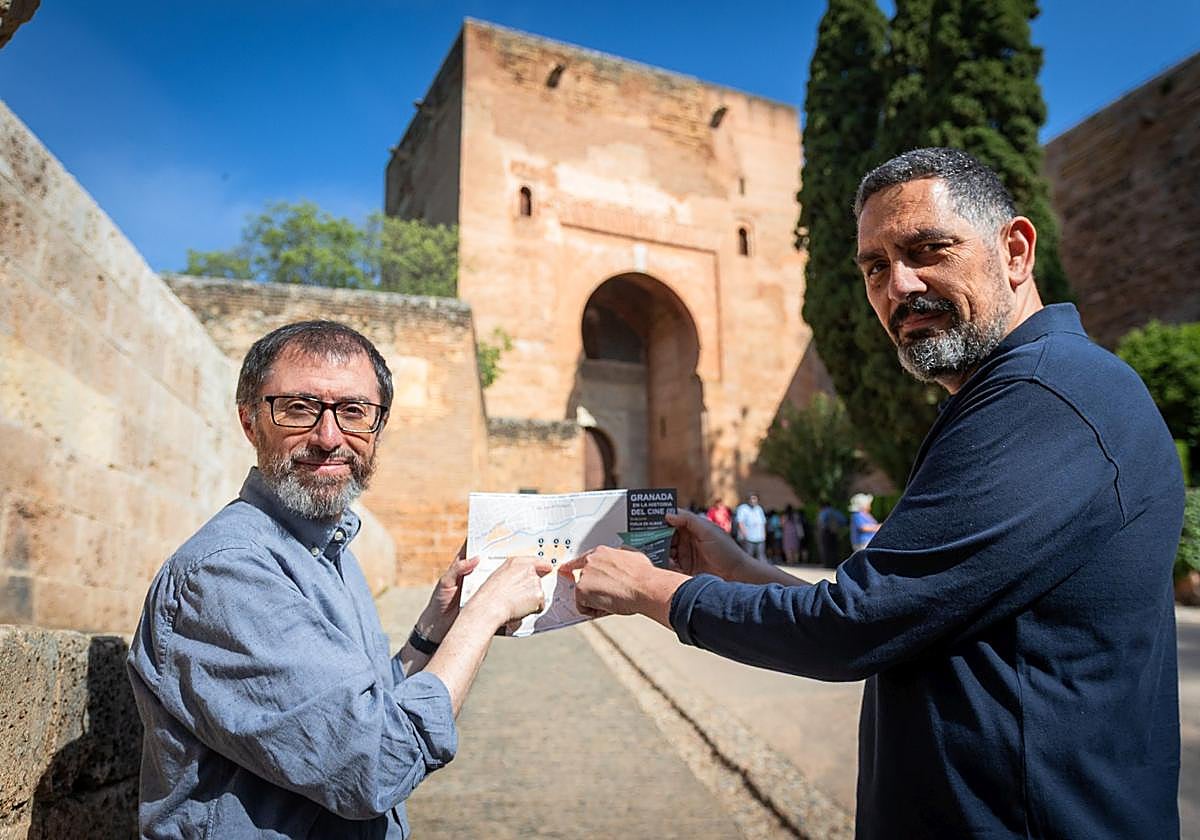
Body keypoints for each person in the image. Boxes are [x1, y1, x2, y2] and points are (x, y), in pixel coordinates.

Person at [566, 148, 1184, 838]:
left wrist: (651, 591)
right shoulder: (1024, 392)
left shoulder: (1043, 397)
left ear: (1014, 250)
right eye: (875, 267)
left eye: (928, 249)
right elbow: (899, 613)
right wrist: (737, 570)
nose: (900, 286)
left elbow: (851, 630)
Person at [127, 321, 550, 838]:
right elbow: (376, 762)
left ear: (377, 428)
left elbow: (357, 709)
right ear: (250, 421)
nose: (329, 438)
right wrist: (484, 615)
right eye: (299, 408)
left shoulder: (328, 548)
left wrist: (432, 631)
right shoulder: (228, 573)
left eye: (353, 412)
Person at [733, 492, 767, 562]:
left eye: (755, 499)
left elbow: (762, 523)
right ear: (748, 499)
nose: (753, 500)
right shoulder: (743, 508)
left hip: (760, 537)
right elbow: (740, 522)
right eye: (751, 499)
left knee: (761, 556)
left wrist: (764, 534)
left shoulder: (759, 508)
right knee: (748, 557)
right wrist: (745, 535)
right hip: (748, 537)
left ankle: (761, 572)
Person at [816, 499, 847, 568]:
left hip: (826, 532)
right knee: (834, 549)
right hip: (835, 532)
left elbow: (821, 522)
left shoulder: (823, 512)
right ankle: (834, 564)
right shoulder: (835, 511)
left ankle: (827, 564)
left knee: (826, 549)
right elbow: (843, 520)